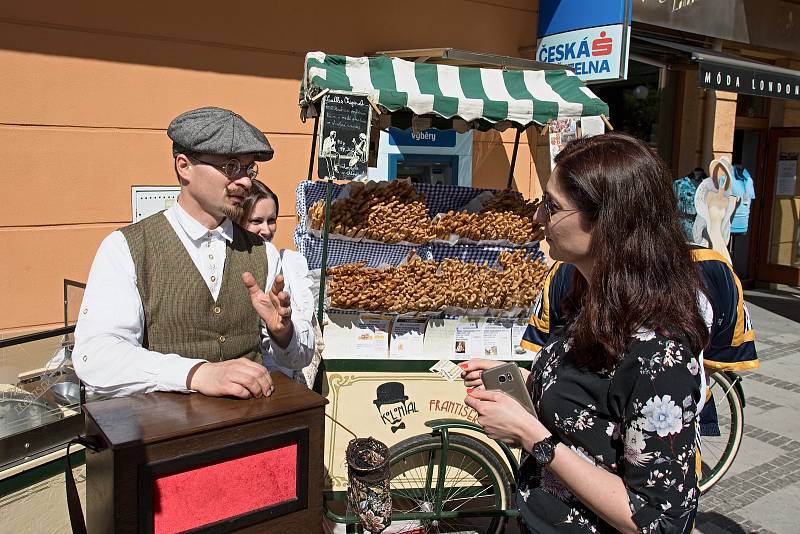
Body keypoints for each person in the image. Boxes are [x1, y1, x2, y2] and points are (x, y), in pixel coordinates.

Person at [462, 133, 707, 533]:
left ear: (607, 221)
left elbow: (658, 521)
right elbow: (590, 412)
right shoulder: (589, 301)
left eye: (552, 207)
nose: (538, 218)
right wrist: (521, 385)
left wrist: (532, 436)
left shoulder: (660, 353)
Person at [73, 107, 314, 399]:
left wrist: (283, 333)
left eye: (249, 168)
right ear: (184, 166)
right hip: (168, 434)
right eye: (230, 167)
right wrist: (196, 373)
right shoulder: (126, 248)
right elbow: (97, 356)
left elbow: (299, 358)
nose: (245, 181)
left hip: (253, 431)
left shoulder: (263, 252)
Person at [234, 179, 321, 387]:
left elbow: (301, 350)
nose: (266, 229)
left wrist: (284, 331)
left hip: (280, 381)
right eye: (256, 221)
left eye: (271, 220)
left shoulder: (289, 264)